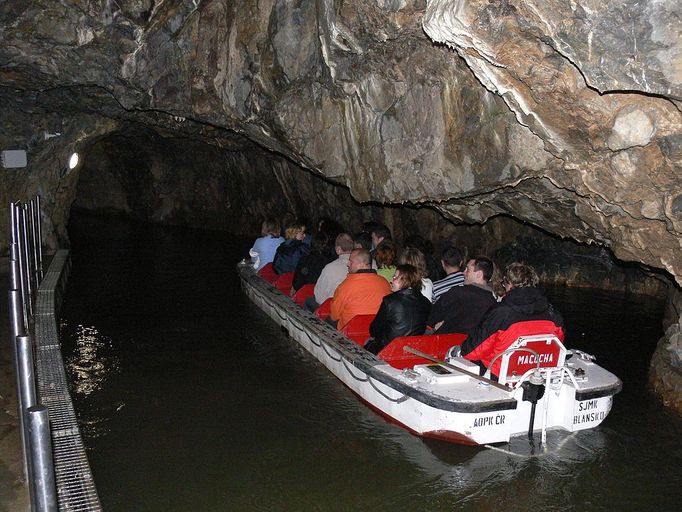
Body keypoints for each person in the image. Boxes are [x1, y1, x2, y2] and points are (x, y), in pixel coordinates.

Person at [459, 262, 565, 378]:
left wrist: (463, 348)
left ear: (509, 284)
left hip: (500, 376)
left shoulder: (501, 313)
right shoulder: (553, 313)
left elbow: (473, 352)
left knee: (457, 356)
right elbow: (558, 345)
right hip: (537, 374)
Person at [364, 264, 431, 355]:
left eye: (395, 277)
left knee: (367, 342)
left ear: (405, 280)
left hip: (387, 350)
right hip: (412, 351)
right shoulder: (426, 302)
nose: (391, 280)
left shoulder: (390, 301)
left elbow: (374, 330)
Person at [428, 256, 497, 335]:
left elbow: (432, 316)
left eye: (467, 269)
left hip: (446, 343)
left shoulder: (458, 293)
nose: (464, 273)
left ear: (479, 274)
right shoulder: (492, 303)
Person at [329, 248, 391, 329]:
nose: (348, 264)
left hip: (350, 333)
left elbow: (334, 315)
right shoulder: (384, 283)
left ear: (362, 264)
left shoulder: (346, 286)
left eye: (351, 261)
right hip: (376, 332)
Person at [307, 233, 355, 311]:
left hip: (332, 308)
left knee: (308, 302)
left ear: (338, 249)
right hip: (351, 306)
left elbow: (318, 296)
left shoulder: (330, 267)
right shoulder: (364, 264)